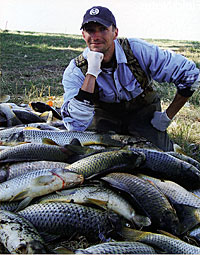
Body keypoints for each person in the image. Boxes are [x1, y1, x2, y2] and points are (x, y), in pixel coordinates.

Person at [61, 6, 200, 152]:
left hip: (143, 113)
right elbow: (75, 125)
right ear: (83, 35)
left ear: (115, 33)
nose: (96, 36)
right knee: (93, 155)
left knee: (160, 157)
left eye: (102, 29)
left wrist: (166, 117)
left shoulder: (137, 51)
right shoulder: (76, 70)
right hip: (104, 116)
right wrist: (91, 73)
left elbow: (190, 75)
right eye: (90, 30)